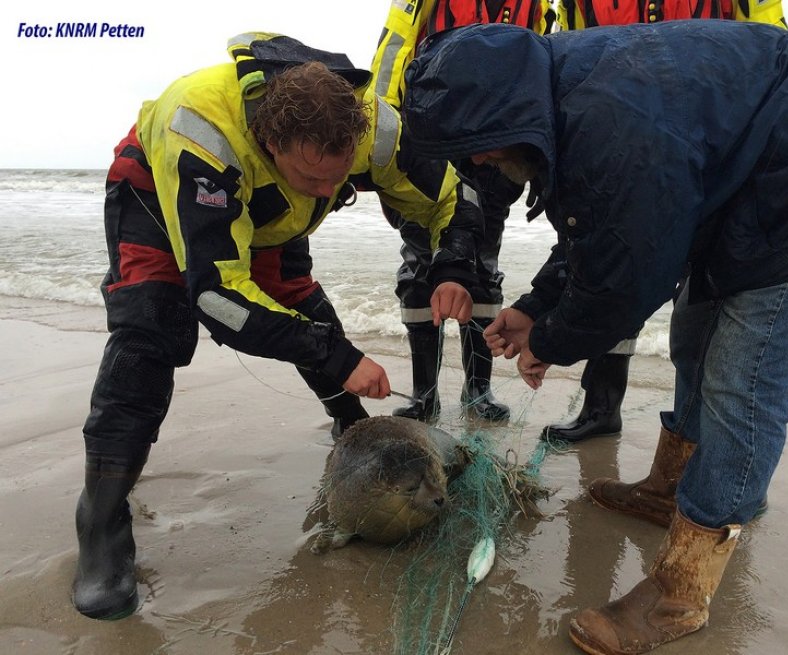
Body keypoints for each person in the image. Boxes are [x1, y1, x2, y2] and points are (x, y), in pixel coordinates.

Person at [401, 22, 788, 654]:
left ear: (504, 111)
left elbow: (628, 277)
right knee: (694, 339)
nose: (475, 160)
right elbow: (601, 231)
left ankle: (681, 592)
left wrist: (549, 342)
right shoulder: (558, 104)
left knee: (744, 376)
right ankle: (672, 487)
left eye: (476, 144)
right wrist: (534, 309)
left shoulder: (611, 121)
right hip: (744, 171)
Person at [73, 31, 485, 621]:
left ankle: (353, 431)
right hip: (161, 200)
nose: (328, 193)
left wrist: (451, 268)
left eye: (339, 181)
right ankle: (102, 516)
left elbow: (456, 195)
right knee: (152, 334)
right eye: (313, 178)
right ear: (269, 140)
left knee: (300, 304)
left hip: (270, 211)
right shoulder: (204, 132)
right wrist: (342, 359)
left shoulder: (374, 128)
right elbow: (219, 300)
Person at [542, 0, 788, 443]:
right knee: (614, 268)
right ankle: (604, 407)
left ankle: (710, 471)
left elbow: (775, 49)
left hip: (714, 145)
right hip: (621, 143)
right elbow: (569, 57)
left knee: (708, 312)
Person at [370, 0, 555, 422]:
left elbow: (546, 62)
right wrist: (391, 147)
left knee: (484, 264)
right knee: (421, 262)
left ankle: (479, 392)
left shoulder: (540, 4)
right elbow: (390, 58)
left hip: (502, 143)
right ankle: (424, 395)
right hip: (433, 143)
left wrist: (538, 156)